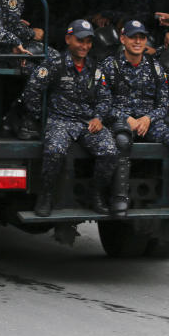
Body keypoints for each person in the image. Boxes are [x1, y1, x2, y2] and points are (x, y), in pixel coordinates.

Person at [100, 20, 169, 217]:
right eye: (133, 37)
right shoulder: (109, 66)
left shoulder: (155, 68)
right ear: (123, 39)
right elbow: (102, 104)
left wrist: (148, 118)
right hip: (122, 122)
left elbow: (164, 104)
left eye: (141, 38)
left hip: (149, 123)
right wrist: (127, 118)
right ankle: (119, 198)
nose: (138, 41)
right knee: (121, 140)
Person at [18, 19, 117, 217]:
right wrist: (42, 118)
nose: (85, 46)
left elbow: (105, 98)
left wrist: (98, 118)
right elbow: (32, 90)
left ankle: (96, 195)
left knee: (109, 150)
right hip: (60, 120)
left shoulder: (95, 68)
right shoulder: (55, 63)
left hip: (87, 123)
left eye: (89, 42)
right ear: (68, 39)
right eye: (80, 41)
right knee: (54, 150)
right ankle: (45, 196)